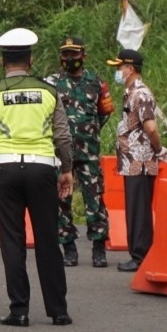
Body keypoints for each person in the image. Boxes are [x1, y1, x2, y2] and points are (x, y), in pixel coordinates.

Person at [0, 28, 73, 326]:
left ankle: (20, 310)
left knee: (12, 240)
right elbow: (63, 136)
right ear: (31, 60)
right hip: (42, 170)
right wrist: (67, 170)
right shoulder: (49, 92)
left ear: (3, 60)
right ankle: (58, 311)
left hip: (6, 171)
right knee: (48, 238)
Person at [45, 36, 114, 268]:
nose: (70, 59)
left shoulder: (96, 82)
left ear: (84, 55)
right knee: (61, 199)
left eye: (74, 54)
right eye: (66, 54)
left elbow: (105, 112)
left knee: (94, 200)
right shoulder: (51, 84)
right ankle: (69, 249)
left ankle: (98, 249)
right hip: (61, 153)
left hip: (89, 153)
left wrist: (88, 131)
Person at [106, 48, 167, 273]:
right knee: (135, 208)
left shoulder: (140, 94)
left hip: (140, 162)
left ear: (130, 69)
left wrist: (158, 149)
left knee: (139, 209)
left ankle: (141, 256)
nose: (118, 71)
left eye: (120, 67)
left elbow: (151, 127)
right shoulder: (131, 93)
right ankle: (138, 253)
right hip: (132, 162)